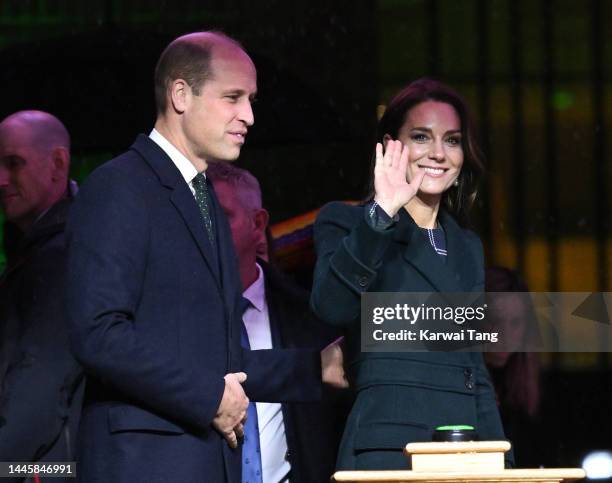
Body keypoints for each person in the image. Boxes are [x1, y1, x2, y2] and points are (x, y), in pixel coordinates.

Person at [65, 31, 344, 483]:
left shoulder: (206, 198)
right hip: (144, 465)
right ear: (180, 94)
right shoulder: (119, 187)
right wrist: (210, 396)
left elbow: (220, 359)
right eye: (232, 97)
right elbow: (98, 333)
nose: (249, 116)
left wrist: (316, 367)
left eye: (251, 99)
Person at [310, 78, 511, 471]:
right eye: (422, 137)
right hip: (388, 449)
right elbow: (331, 307)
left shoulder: (466, 245)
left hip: (463, 450)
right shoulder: (347, 222)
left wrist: (504, 461)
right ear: (390, 147)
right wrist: (382, 213)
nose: (439, 153)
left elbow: (474, 367)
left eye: (452, 140)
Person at [207, 161, 349, 482]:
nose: (207, 230)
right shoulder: (174, 315)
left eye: (221, 217)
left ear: (257, 223)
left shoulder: (315, 318)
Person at [0, 110, 84, 481]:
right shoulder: (40, 250)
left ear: (58, 163)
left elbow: (41, 386)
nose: (1, 179)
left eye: (13, 163)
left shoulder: (64, 254)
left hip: (49, 467)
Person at [484, 266, 541, 467]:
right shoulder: (458, 384)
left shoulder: (531, 392)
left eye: (516, 323)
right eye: (494, 321)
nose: (505, 336)